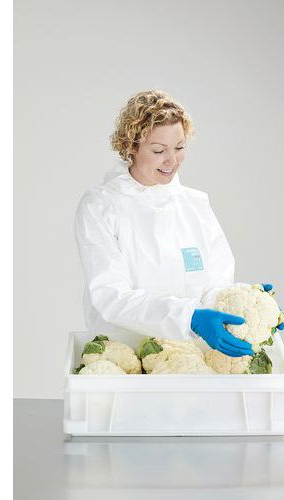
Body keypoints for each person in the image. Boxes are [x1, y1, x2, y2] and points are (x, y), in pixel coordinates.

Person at [74, 90, 256, 357]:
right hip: (125, 358)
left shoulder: (196, 205)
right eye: (159, 150)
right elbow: (111, 296)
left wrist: (247, 302)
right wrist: (189, 317)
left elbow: (216, 282)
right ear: (131, 146)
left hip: (191, 355)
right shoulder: (101, 206)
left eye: (179, 147)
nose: (172, 160)